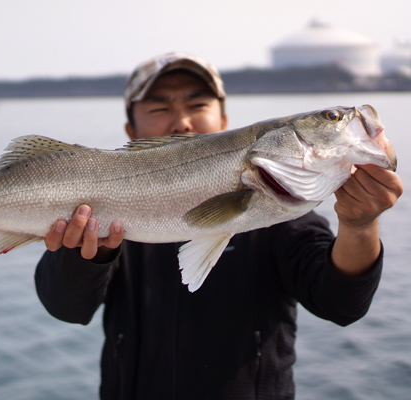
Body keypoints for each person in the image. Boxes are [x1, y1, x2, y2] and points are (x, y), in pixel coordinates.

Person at [34, 52, 403, 399]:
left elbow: (341, 304)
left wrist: (359, 226)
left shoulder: (281, 214)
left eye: (198, 105)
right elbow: (67, 308)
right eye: (160, 107)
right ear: (131, 129)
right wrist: (87, 256)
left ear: (225, 121)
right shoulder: (99, 204)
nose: (181, 120)